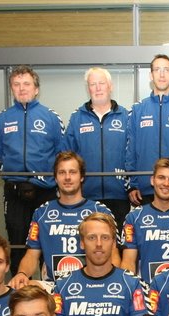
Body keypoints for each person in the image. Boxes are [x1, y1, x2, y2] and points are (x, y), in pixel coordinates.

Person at [0, 65, 65, 274]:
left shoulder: (51, 117)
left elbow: (62, 154)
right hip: (14, 191)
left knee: (47, 242)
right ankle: (20, 288)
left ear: (36, 89)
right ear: (11, 89)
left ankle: (47, 289)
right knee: (17, 242)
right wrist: (11, 176)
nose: (22, 88)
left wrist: (48, 178)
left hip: (45, 191)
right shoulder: (2, 118)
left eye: (26, 84)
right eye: (16, 84)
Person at [7, 152, 115, 289]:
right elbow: (32, 254)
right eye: (62, 172)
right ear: (55, 178)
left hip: (91, 285)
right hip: (53, 286)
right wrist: (22, 274)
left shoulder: (100, 211)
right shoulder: (42, 213)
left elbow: (113, 253)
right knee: (21, 288)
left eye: (72, 172)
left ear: (81, 177)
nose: (67, 177)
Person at [124, 55, 169, 206]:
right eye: (157, 70)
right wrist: (132, 184)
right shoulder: (137, 109)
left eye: (166, 70)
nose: (162, 74)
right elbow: (129, 151)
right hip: (143, 191)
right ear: (151, 75)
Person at [64, 67, 131, 224]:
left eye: (102, 83)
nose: (98, 88)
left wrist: (131, 186)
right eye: (93, 84)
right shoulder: (77, 118)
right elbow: (67, 156)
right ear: (88, 89)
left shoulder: (126, 116)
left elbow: (133, 154)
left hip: (119, 195)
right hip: (86, 196)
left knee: (117, 239)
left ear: (110, 86)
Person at [121, 158, 169, 284]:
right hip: (149, 290)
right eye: (161, 178)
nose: (166, 183)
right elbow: (128, 262)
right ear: (152, 180)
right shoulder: (134, 217)